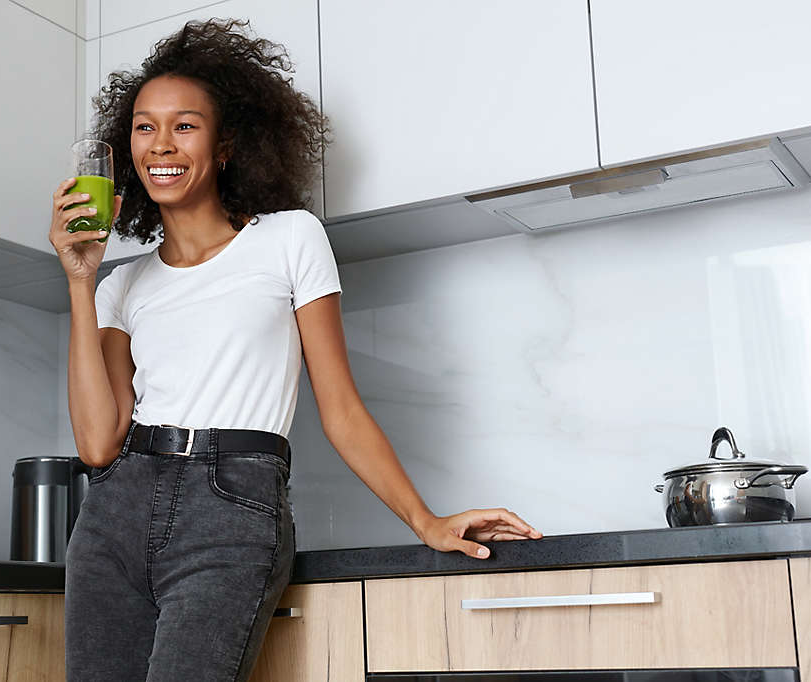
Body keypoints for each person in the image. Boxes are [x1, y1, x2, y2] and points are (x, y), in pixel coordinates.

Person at [49, 18, 543, 682]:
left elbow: (339, 409)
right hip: (114, 515)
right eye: (144, 126)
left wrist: (423, 519)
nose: (160, 144)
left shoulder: (288, 241)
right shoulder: (121, 285)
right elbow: (98, 444)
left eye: (184, 125)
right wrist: (81, 278)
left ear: (226, 146)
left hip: (229, 511)